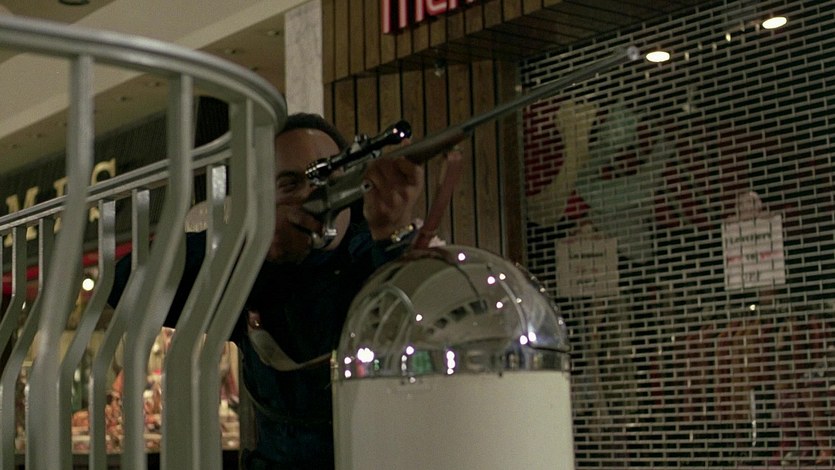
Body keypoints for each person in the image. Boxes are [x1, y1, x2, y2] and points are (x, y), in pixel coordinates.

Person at [110, 113, 425, 469]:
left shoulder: (378, 253)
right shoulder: (250, 269)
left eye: (329, 179)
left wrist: (393, 237)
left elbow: (416, 334)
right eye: (290, 184)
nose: (311, 194)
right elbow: (125, 284)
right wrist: (259, 245)